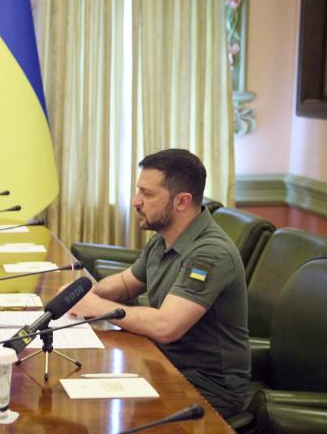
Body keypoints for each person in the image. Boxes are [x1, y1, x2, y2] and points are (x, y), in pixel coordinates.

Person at [68, 149, 250, 417]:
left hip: (208, 387)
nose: (135, 201)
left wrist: (95, 306)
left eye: (147, 194)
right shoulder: (164, 237)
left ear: (182, 201)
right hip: (165, 362)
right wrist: (78, 294)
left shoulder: (210, 253)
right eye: (138, 191)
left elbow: (167, 326)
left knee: (99, 410)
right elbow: (127, 283)